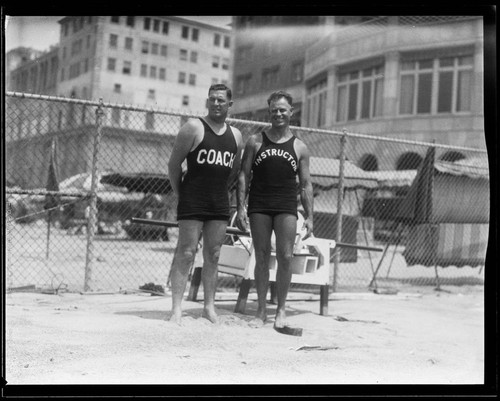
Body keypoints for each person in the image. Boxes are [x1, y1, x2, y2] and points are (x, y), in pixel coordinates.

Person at [236, 90, 314, 333]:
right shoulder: (255, 141)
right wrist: (240, 207)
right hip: (259, 205)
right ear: (268, 113)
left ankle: (280, 309)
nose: (278, 113)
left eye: (283, 110)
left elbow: (306, 184)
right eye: (274, 110)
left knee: (286, 256)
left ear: (291, 112)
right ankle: (261, 309)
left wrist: (310, 215)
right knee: (260, 255)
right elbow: (243, 175)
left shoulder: (300, 147)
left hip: (285, 206)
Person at [167, 84, 243, 325]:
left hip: (219, 201)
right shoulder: (193, 127)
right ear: (207, 102)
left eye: (221, 100)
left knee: (213, 253)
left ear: (229, 104)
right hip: (192, 198)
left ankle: (208, 307)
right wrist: (181, 193)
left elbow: (234, 170)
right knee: (186, 252)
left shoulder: (236, 135)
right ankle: (176, 309)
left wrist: (221, 189)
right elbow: (173, 165)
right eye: (212, 99)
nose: (216, 104)